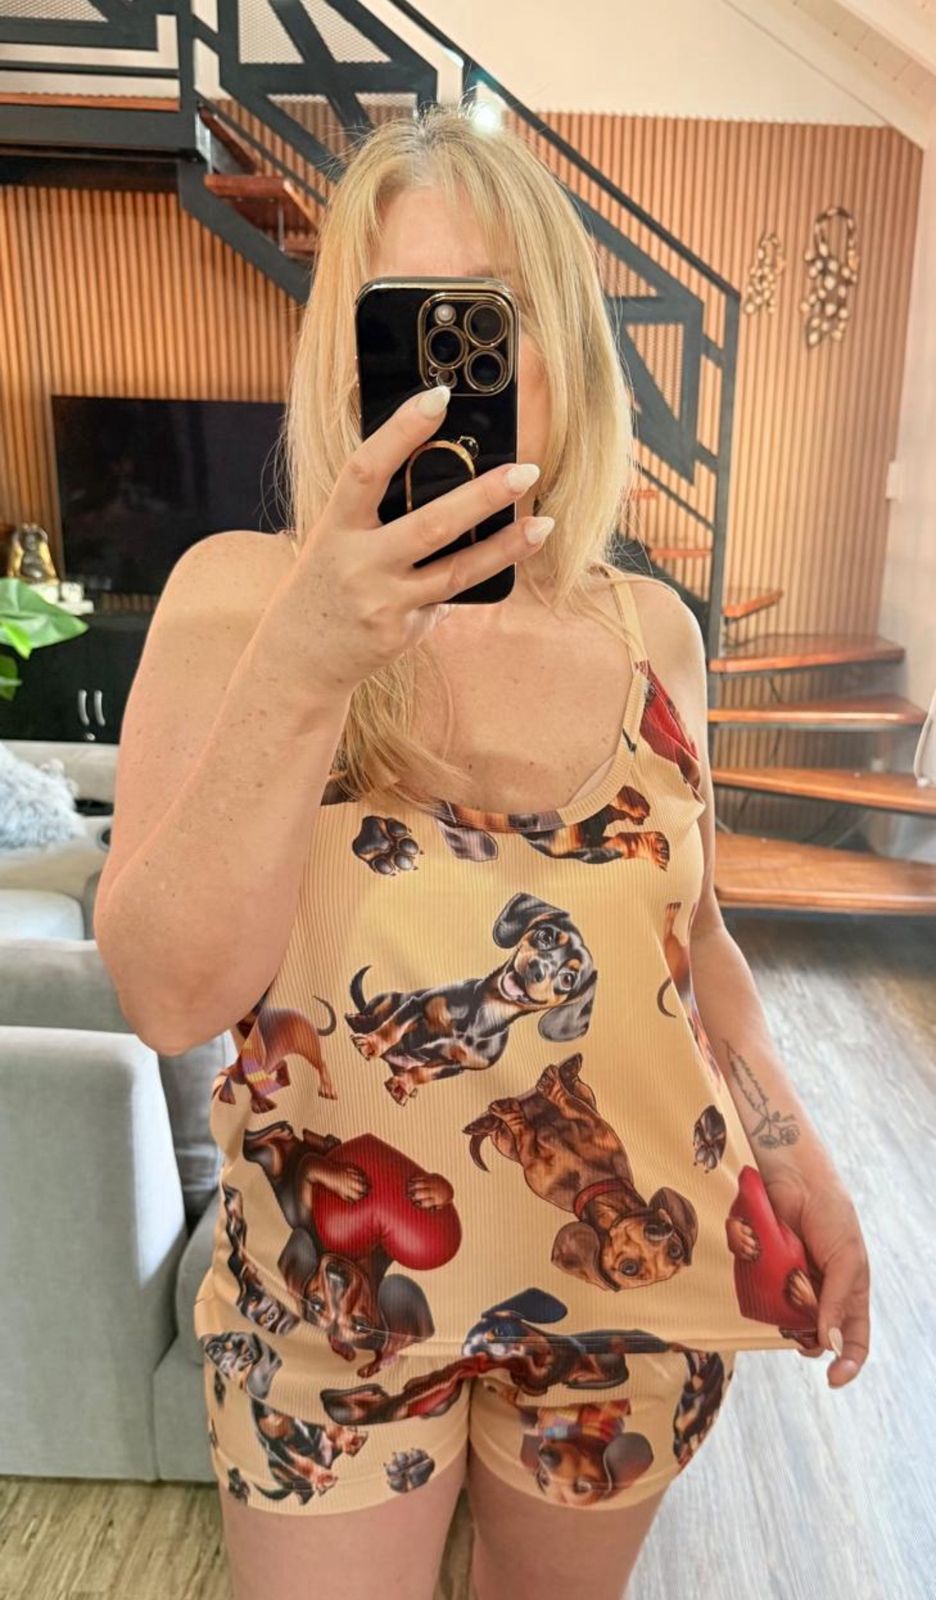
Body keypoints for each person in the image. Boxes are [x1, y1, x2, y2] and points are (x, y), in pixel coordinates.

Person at [95, 102, 870, 1600]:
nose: (452, 380)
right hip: (335, 1315)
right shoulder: (234, 602)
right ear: (346, 364)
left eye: (490, 324)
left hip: (630, 1299)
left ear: (563, 348)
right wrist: (308, 662)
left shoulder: (653, 632)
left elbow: (697, 944)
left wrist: (798, 1151)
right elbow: (168, 996)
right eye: (408, 328)